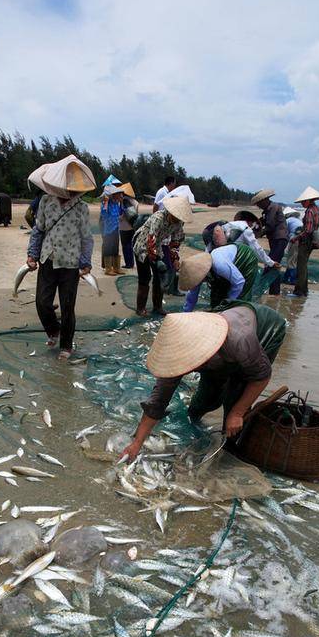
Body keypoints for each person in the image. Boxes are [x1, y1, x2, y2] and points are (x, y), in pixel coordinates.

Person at [120, 303, 286, 462]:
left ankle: (231, 447)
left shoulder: (239, 339)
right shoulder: (177, 358)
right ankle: (196, 417)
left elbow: (261, 376)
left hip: (265, 331)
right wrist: (136, 443)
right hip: (223, 354)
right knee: (207, 398)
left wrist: (237, 412)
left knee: (236, 394)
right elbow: (157, 402)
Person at [26, 155, 95, 361]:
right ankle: (53, 330)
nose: (71, 190)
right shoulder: (46, 201)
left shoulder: (82, 207)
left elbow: (87, 238)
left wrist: (86, 263)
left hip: (71, 263)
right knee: (42, 302)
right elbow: (38, 230)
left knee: (67, 307)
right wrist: (32, 255)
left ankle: (66, 345)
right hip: (48, 258)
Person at [132, 194, 192, 317]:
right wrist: (156, 260)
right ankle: (140, 308)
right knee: (145, 277)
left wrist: (175, 258)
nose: (177, 219)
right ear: (170, 211)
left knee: (159, 278)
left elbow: (175, 242)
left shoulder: (178, 223)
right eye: (175, 216)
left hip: (157, 246)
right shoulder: (158, 217)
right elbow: (151, 238)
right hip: (143, 245)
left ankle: (158, 307)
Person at [180, 246, 259, 312]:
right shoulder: (196, 274)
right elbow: (192, 297)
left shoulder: (220, 265)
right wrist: (186, 313)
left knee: (240, 299)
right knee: (216, 299)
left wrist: (228, 303)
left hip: (245, 257)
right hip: (223, 268)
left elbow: (240, 282)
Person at [251, 189, 288, 296]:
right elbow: (261, 222)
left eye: (259, 203)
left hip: (280, 239)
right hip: (274, 239)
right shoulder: (267, 210)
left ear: (264, 200)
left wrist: (257, 234)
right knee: (273, 264)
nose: (258, 206)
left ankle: (274, 292)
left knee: (272, 264)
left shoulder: (274, 207)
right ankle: (274, 291)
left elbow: (270, 225)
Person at [202, 218, 278, 268]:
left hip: (209, 237)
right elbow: (257, 249)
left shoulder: (232, 224)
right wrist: (271, 263)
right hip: (222, 254)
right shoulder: (246, 229)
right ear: (251, 223)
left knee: (207, 266)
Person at [290, 186, 319, 297]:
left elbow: (308, 230)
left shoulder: (309, 211)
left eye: (303, 201)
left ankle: (299, 291)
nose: (302, 204)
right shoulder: (316, 209)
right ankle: (304, 290)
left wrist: (297, 237)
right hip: (312, 241)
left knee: (301, 267)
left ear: (309, 200)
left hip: (306, 242)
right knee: (304, 266)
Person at [100, 184, 125, 276]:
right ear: (113, 195)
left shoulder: (115, 204)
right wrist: (106, 201)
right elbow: (104, 214)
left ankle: (116, 268)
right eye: (118, 194)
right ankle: (108, 269)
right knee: (108, 248)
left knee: (115, 248)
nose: (120, 195)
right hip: (108, 229)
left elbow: (121, 212)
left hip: (115, 228)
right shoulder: (106, 203)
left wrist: (121, 202)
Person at [281, 207, 304, 286]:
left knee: (291, 260)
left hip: (295, 240)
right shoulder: (298, 220)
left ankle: (293, 280)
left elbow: (284, 231)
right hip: (302, 240)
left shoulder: (288, 220)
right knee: (293, 260)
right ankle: (285, 278)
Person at [119, 183, 138, 269]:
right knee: (131, 245)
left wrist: (118, 218)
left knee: (125, 245)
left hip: (124, 227)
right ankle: (132, 263)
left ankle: (128, 264)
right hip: (133, 226)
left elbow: (122, 215)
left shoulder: (123, 201)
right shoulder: (135, 202)